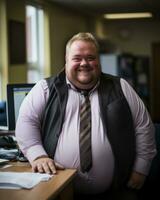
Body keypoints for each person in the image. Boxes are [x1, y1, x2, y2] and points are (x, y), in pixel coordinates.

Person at [15, 32, 156, 200]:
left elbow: (144, 126)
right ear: (66, 60)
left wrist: (141, 169)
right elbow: (26, 122)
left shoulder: (121, 87)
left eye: (91, 57)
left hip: (117, 190)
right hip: (58, 190)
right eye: (77, 58)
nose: (84, 63)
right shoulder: (45, 88)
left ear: (98, 60)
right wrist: (37, 155)